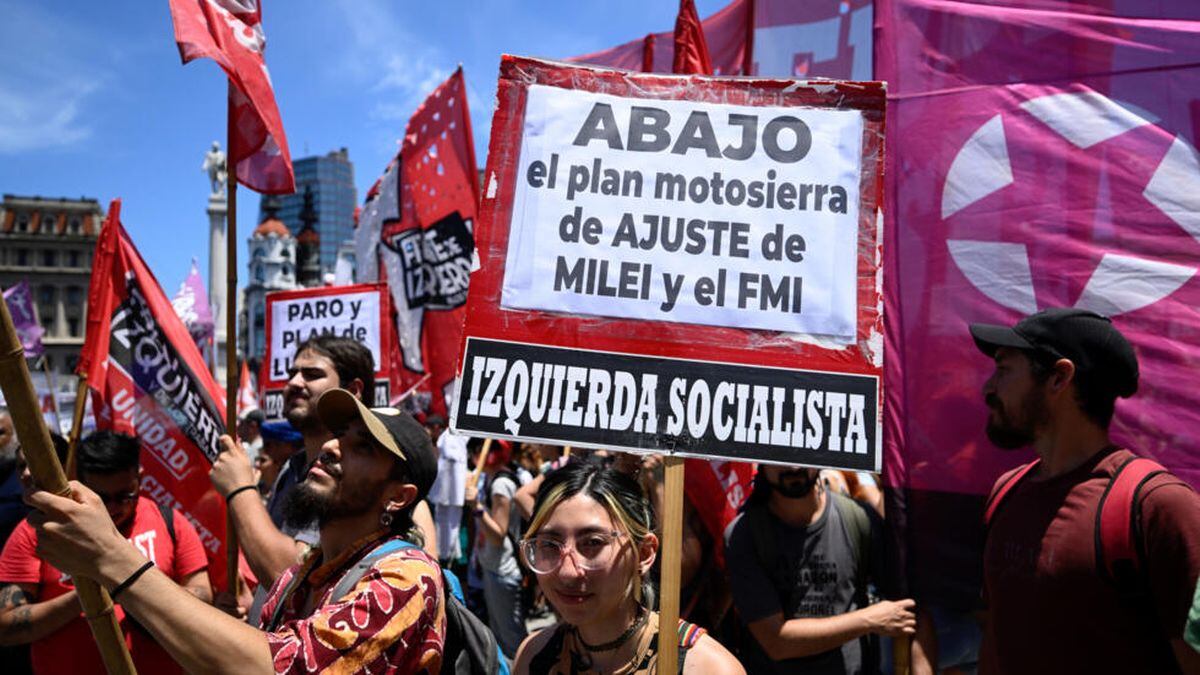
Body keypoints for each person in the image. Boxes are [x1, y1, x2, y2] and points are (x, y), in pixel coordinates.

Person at [23, 387, 445, 673]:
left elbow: (282, 667)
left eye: (363, 447)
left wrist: (112, 557)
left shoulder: (407, 577)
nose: (333, 447)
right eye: (339, 435)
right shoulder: (302, 575)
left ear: (399, 496)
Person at [970, 308, 1200, 673]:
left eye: (1003, 369)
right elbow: (998, 640)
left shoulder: (1157, 506)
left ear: (1059, 377)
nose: (987, 388)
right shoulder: (1007, 492)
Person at [0, 431, 211, 674]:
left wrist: (137, 590)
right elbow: (7, 627)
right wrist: (89, 593)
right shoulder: (40, 531)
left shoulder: (170, 522)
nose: (113, 508)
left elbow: (202, 594)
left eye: (125, 496)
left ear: (139, 477)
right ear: (80, 481)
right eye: (102, 498)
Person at [514, 461, 744, 674]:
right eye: (549, 545)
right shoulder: (534, 656)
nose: (567, 572)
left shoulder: (706, 668)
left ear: (644, 554)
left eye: (593, 543)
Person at [210, 335, 376, 614]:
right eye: (292, 373)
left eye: (311, 374)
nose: (294, 383)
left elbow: (290, 580)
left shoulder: (351, 473)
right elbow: (273, 586)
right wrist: (253, 605)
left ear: (352, 389)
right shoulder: (292, 468)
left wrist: (240, 490)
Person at [724, 465, 916, 674]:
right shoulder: (744, 536)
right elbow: (777, 643)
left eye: (802, 453)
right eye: (782, 456)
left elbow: (908, 604)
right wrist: (869, 620)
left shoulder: (858, 518)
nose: (793, 466)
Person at [466, 439, 528, 658]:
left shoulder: (501, 484)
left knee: (511, 642)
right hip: (494, 568)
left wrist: (476, 506)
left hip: (503, 570)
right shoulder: (493, 478)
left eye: (480, 449)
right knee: (501, 638)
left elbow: (497, 535)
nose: (476, 455)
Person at [426, 414, 468, 568]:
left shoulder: (455, 436)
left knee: (455, 527)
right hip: (442, 492)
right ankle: (444, 558)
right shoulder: (444, 438)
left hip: (456, 493)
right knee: (442, 525)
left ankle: (451, 559)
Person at [255, 420, 304, 500]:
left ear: (288, 445)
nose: (265, 450)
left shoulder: (300, 477)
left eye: (268, 444)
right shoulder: (287, 473)